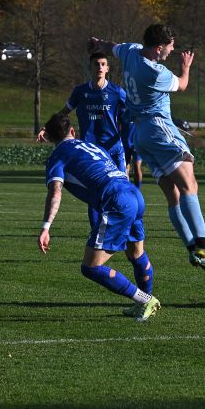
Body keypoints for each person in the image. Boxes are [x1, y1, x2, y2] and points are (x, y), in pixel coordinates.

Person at [88, 24, 205, 274]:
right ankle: (204, 244)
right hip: (159, 129)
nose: (173, 49)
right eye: (171, 45)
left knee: (173, 195)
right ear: (158, 48)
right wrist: (186, 67)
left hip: (141, 136)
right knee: (189, 184)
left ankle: (192, 248)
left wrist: (97, 43)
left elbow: (111, 47)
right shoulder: (157, 72)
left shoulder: (131, 51)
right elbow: (183, 85)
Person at [37, 113, 160, 322]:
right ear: (73, 132)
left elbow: (55, 192)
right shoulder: (93, 146)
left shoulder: (57, 157)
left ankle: (145, 300)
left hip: (116, 201)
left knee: (91, 267)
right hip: (133, 194)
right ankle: (141, 305)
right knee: (137, 253)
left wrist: (46, 226)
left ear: (48, 137)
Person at [38, 52, 127, 172]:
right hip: (91, 150)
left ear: (107, 68)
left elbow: (134, 110)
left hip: (113, 148)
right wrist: (46, 128)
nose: (99, 67)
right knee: (96, 187)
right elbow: (64, 113)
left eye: (103, 64)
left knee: (124, 185)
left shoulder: (117, 92)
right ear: (90, 67)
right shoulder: (80, 92)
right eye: (96, 64)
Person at [122, 121, 143, 189]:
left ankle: (138, 190)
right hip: (125, 142)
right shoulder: (121, 110)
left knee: (136, 167)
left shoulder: (140, 110)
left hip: (137, 142)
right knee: (125, 167)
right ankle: (127, 189)